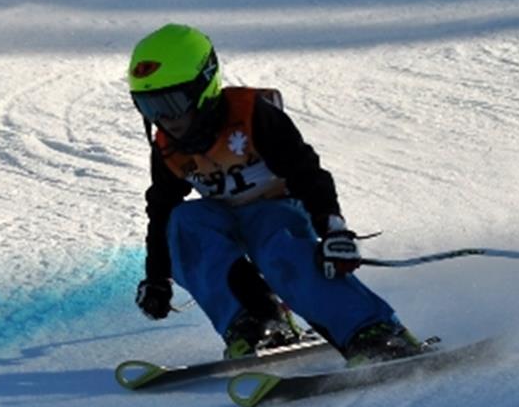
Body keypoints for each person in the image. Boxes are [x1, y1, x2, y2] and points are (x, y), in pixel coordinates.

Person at [128, 23, 420, 363]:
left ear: (203, 86)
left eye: (171, 103)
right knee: (183, 223)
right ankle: (257, 320)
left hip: (280, 211)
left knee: (275, 242)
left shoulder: (253, 117)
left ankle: (372, 331)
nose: (164, 119)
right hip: (226, 218)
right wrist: (157, 278)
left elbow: (307, 174)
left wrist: (333, 230)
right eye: (149, 107)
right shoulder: (168, 147)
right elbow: (161, 209)